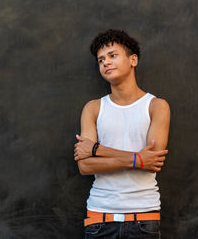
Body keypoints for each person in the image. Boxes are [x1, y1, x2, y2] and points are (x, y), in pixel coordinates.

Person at [74, 29, 171, 238]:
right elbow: (84, 165)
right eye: (101, 60)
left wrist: (96, 150)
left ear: (133, 59)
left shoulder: (156, 106)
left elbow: (152, 162)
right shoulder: (93, 108)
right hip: (100, 217)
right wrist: (136, 159)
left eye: (112, 55)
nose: (105, 63)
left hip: (144, 217)